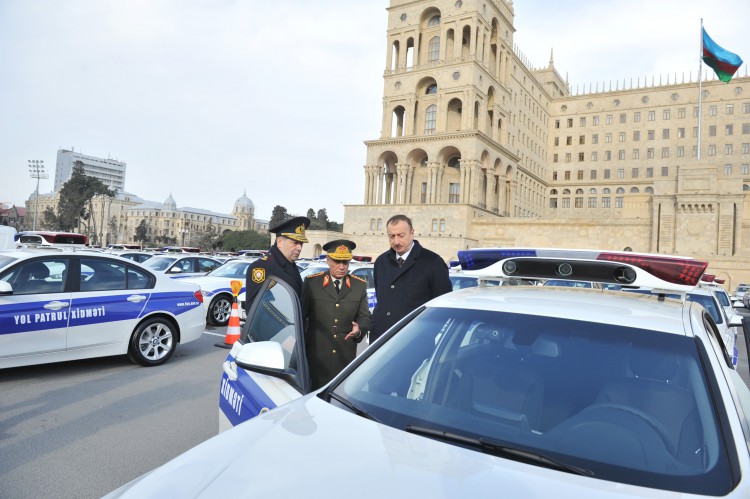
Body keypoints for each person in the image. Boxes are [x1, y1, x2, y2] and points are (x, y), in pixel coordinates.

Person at [302, 239, 372, 390]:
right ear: (328, 260)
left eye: (345, 262)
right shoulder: (312, 283)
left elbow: (365, 317)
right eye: (337, 261)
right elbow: (301, 317)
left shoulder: (358, 286)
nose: (342, 267)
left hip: (344, 356)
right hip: (316, 355)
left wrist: (359, 329)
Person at [370, 214, 452, 342]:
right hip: (380, 339)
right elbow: (382, 299)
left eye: (401, 235)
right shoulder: (381, 262)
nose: (396, 242)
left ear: (412, 233)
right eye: (391, 236)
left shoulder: (432, 262)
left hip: (414, 340)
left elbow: (442, 306)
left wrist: (428, 333)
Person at [244, 216, 310, 317]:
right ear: (279, 242)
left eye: (301, 243)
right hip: (277, 331)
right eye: (295, 243)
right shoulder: (261, 267)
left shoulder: (290, 264)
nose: (299, 248)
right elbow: (254, 311)